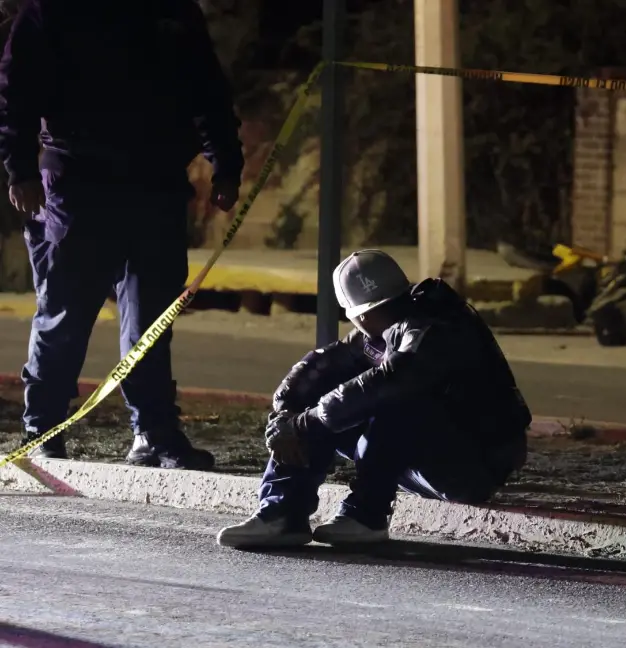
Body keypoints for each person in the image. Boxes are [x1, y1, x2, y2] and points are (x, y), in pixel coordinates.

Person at [0, 0, 244, 468]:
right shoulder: (50, 11)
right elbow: (15, 95)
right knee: (65, 312)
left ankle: (153, 432)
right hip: (76, 181)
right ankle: (43, 429)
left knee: (151, 317)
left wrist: (225, 163)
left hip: (157, 183)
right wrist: (20, 171)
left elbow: (207, 89)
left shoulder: (173, 11)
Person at [216, 250, 532, 548]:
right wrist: (285, 414)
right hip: (436, 456)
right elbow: (321, 365)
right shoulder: (386, 328)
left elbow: (393, 380)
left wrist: (306, 422)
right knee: (324, 396)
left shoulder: (437, 327)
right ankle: (282, 514)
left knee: (389, 400)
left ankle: (367, 517)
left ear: (359, 315)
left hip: (473, 466)